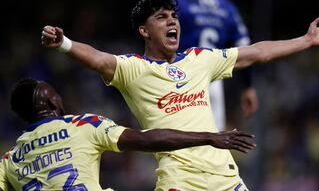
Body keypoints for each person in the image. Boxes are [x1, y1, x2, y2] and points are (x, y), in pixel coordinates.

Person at [41, 0, 319, 190]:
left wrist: (306, 40)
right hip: (180, 179)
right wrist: (64, 43)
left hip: (225, 177)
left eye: (174, 16)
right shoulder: (132, 68)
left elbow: (256, 52)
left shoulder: (200, 59)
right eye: (161, 17)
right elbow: (96, 58)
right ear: (144, 31)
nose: (172, 21)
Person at [0, 78, 256, 191]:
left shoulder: (10, 160)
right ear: (52, 103)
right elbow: (148, 139)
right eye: (56, 93)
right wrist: (209, 137)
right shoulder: (82, 124)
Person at [165, 0, 258, 130]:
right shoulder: (226, 5)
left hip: (180, 80)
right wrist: (248, 86)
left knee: (179, 148)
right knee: (213, 145)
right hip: (214, 82)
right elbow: (244, 45)